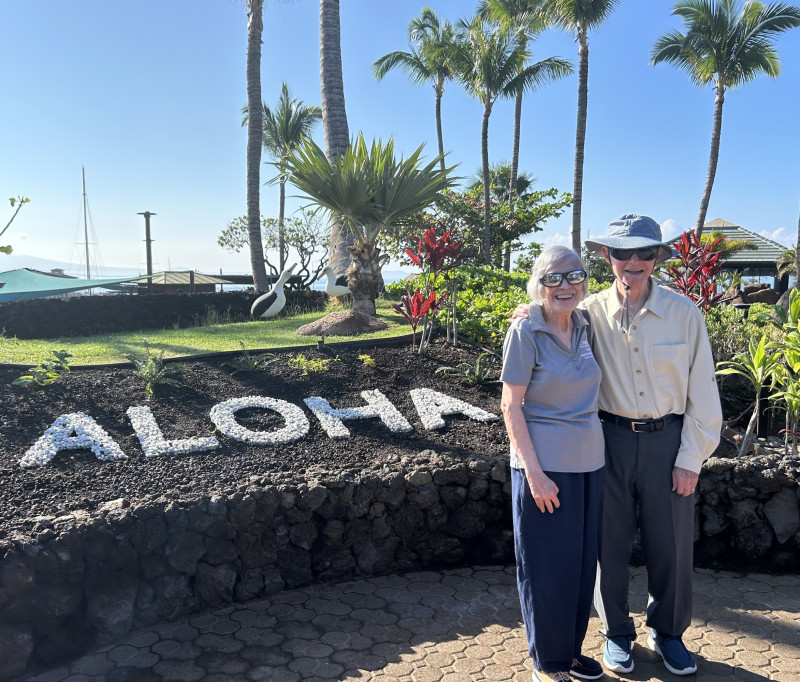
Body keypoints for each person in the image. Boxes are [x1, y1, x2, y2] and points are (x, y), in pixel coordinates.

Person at [513, 214, 722, 676]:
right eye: (623, 253)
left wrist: (691, 458)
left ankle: (667, 632)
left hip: (669, 442)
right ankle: (616, 634)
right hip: (605, 442)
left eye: (644, 252)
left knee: (671, 544)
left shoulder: (684, 313)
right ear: (606, 257)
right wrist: (526, 311)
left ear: (657, 258)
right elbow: (549, 311)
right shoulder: (587, 313)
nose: (633, 262)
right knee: (608, 546)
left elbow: (704, 391)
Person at [501, 245, 605, 682]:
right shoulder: (526, 331)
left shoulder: (586, 322)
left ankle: (569, 650)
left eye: (574, 276)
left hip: (589, 464)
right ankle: (547, 660)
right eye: (553, 278)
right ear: (538, 284)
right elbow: (511, 406)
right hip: (545, 468)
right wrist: (534, 473)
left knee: (581, 567)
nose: (565, 286)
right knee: (547, 566)